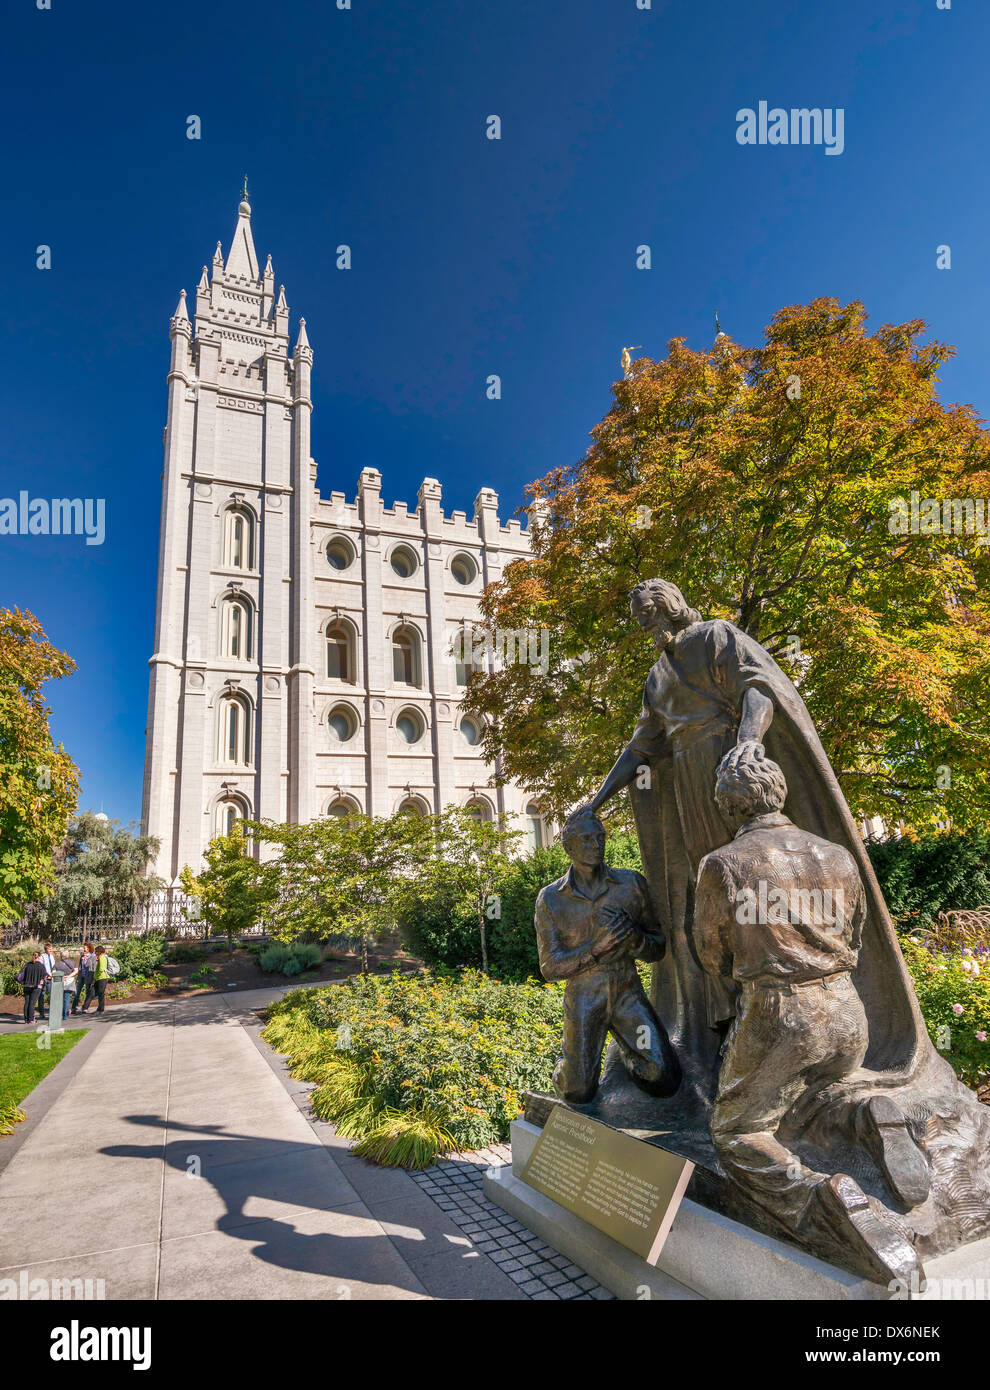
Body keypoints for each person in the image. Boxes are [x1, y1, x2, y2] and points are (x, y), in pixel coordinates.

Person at [579, 578, 958, 1119]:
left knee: (751, 887)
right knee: (709, 900)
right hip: (687, 782)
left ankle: (776, 1030)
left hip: (726, 766)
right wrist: (596, 800)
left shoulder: (716, 636)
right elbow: (642, 745)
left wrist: (749, 744)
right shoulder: (657, 674)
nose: (645, 624)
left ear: (669, 605)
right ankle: (729, 1027)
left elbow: (759, 686)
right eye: (639, 617)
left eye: (648, 612)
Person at [692, 748, 927, 1283]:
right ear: (778, 793)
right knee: (810, 1096)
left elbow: (711, 950)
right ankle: (866, 1115)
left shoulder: (723, 863)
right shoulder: (837, 855)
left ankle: (820, 1195)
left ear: (730, 807)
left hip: (779, 1011)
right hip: (846, 1009)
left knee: (736, 1130)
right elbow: (857, 930)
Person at [534, 807, 680, 1104]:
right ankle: (574, 1066)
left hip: (627, 990)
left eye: (600, 838)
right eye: (587, 839)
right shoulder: (551, 898)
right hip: (585, 997)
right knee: (577, 1091)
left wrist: (635, 939)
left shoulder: (630, 884)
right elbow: (550, 968)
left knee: (663, 1077)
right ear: (569, 846)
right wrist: (595, 949)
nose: (596, 845)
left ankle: (623, 1054)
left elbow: (658, 946)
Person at [17, 953, 46, 1024]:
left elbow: (21, 974)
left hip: (26, 986)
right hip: (36, 987)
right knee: (32, 1003)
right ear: (39, 957)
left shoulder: (27, 965)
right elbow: (43, 976)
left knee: (27, 1002)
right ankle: (31, 1019)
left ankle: (26, 1020)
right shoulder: (41, 966)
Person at [52, 952, 78, 1021]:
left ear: (61, 956)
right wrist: (68, 976)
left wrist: (61, 976)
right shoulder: (72, 963)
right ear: (68, 955)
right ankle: (65, 1015)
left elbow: (53, 973)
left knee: (59, 999)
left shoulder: (57, 964)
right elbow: (76, 971)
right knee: (67, 999)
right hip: (69, 982)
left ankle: (58, 1014)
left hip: (60, 982)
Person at [73, 943, 96, 1015]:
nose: (84, 949)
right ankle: (74, 1007)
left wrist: (86, 960)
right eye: (84, 948)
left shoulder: (93, 957)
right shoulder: (82, 956)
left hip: (88, 977)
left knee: (87, 992)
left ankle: (85, 1008)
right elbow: (80, 966)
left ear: (89, 948)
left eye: (85, 948)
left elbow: (92, 967)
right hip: (81, 976)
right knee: (77, 992)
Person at [37, 942, 56, 1021]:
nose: (51, 950)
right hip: (44, 978)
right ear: (46, 949)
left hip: (51, 978)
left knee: (52, 995)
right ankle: (41, 1012)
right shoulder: (42, 957)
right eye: (50, 949)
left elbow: (54, 966)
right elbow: (41, 967)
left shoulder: (51, 956)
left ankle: (52, 1012)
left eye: (52, 949)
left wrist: (54, 972)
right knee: (41, 995)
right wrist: (46, 975)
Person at [92, 946, 112, 1015]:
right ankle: (99, 1008)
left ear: (99, 951)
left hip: (102, 978)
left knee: (101, 994)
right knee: (100, 994)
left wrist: (95, 976)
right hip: (101, 978)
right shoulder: (101, 957)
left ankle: (101, 1009)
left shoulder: (102, 958)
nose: (95, 953)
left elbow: (101, 969)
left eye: (96, 951)